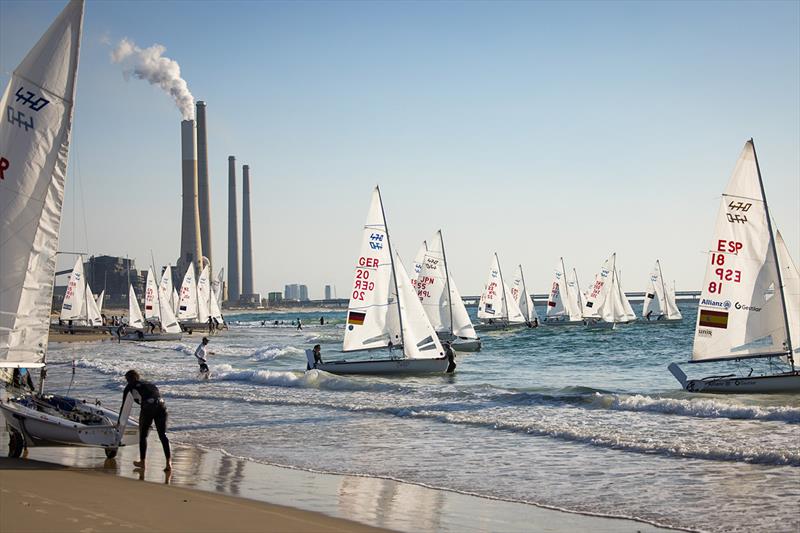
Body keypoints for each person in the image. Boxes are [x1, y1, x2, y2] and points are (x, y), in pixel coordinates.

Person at [121, 370, 171, 471]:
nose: (127, 381)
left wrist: (120, 422)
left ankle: (142, 462)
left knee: (143, 435)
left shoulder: (130, 386)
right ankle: (168, 463)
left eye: (127, 379)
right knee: (163, 435)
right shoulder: (149, 384)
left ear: (130, 379)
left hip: (149, 406)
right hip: (162, 405)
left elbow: (124, 405)